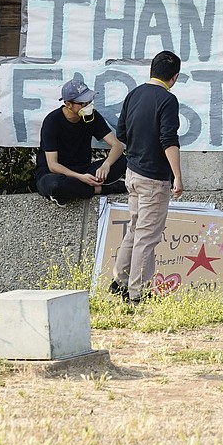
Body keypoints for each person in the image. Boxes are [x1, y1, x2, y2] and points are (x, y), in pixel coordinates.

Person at [109, 50, 185, 303]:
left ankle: (119, 282)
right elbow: (169, 139)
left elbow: (121, 133)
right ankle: (137, 293)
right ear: (174, 77)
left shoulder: (134, 94)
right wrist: (177, 176)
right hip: (154, 178)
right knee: (147, 236)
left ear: (151, 70)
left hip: (132, 172)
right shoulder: (168, 100)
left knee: (135, 230)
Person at [35, 77, 127, 205]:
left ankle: (74, 191)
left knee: (123, 161)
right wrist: (80, 178)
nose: (88, 105)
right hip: (55, 174)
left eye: (89, 101)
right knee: (55, 185)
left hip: (84, 170)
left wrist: (106, 164)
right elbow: (53, 165)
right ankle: (101, 189)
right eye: (83, 103)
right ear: (68, 104)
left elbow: (117, 145)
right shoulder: (52, 121)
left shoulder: (92, 116)